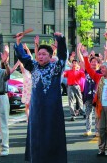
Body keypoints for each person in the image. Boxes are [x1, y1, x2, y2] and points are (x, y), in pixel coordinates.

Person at [14, 32, 67, 163]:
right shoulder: (33, 66)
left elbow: (63, 55)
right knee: (36, 136)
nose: (40, 56)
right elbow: (23, 57)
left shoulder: (56, 67)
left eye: (44, 54)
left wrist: (60, 39)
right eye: (39, 54)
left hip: (52, 109)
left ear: (50, 56)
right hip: (36, 109)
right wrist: (18, 43)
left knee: (52, 135)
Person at [76, 43, 101, 137]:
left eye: (96, 62)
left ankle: (97, 130)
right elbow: (83, 61)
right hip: (88, 95)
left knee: (97, 114)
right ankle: (88, 129)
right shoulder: (87, 70)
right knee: (88, 113)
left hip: (97, 96)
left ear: (99, 64)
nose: (94, 63)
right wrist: (78, 51)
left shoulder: (100, 72)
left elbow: (106, 61)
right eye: (92, 62)